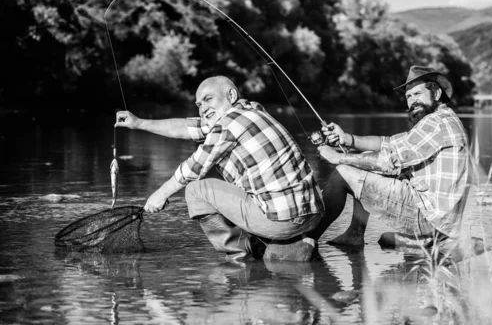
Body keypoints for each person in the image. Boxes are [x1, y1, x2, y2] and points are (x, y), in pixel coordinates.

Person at [115, 76, 324, 261]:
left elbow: (194, 167)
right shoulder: (251, 110)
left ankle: (244, 255)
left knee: (196, 190)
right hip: (313, 215)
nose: (203, 108)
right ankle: (294, 241)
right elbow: (188, 128)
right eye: (198, 104)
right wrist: (139, 123)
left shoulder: (227, 125)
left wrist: (160, 194)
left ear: (231, 95)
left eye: (208, 99)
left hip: (281, 220)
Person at [315, 66, 470, 248]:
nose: (413, 101)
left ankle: (306, 238)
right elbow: (388, 143)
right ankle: (354, 234)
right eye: (408, 97)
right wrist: (347, 139)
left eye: (417, 93)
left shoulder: (436, 122)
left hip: (430, 218)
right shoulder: (442, 118)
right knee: (364, 160)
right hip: (441, 221)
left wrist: (338, 158)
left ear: (436, 94)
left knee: (342, 173)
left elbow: (387, 161)